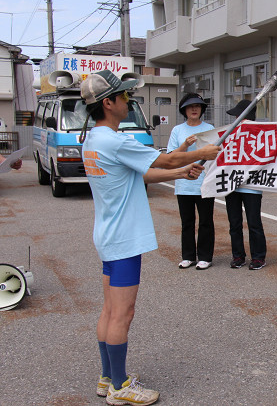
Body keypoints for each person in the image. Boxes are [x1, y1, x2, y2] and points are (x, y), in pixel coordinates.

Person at [80, 70, 220, 405]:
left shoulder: (94, 140)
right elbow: (167, 157)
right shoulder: (114, 140)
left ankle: (107, 378)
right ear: (108, 103)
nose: (129, 100)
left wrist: (179, 172)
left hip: (109, 234)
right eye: (124, 96)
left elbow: (145, 171)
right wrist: (201, 154)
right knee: (122, 313)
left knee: (109, 310)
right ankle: (120, 386)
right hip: (125, 239)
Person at [167, 93, 215, 270]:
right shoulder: (177, 130)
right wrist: (185, 145)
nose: (194, 109)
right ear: (184, 110)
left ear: (202, 109)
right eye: (190, 106)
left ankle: (205, 256)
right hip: (183, 182)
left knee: (205, 221)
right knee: (187, 222)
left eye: (197, 106)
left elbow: (216, 152)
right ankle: (188, 256)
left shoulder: (209, 128)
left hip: (204, 182)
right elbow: (171, 156)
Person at [224, 100, 268, 270]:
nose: (236, 118)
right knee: (234, 223)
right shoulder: (228, 133)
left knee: (254, 222)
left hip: (252, 186)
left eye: (238, 115)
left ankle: (258, 257)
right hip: (231, 184)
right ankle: (238, 256)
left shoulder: (262, 133)